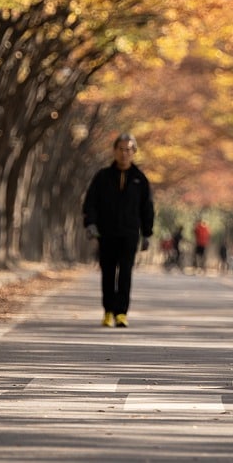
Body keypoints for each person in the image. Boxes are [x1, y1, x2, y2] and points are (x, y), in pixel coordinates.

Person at [82, 133, 154, 328]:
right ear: (114, 151)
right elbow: (91, 203)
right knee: (107, 273)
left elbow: (147, 208)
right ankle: (108, 311)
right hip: (106, 233)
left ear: (134, 152)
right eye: (121, 149)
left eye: (128, 150)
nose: (124, 154)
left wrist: (147, 233)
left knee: (125, 273)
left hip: (129, 234)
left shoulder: (140, 179)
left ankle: (121, 313)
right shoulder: (102, 177)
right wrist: (91, 223)